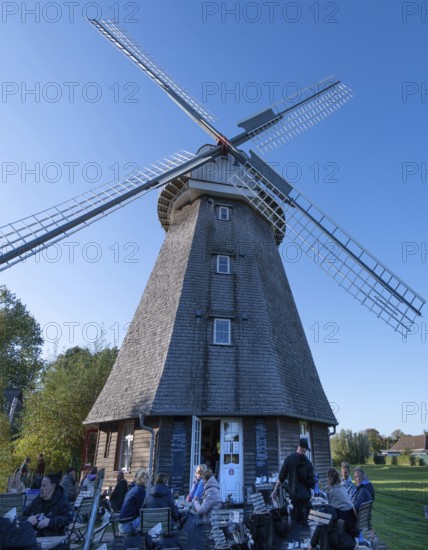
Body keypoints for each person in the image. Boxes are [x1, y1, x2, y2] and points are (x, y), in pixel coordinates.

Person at [271, 437, 315, 525]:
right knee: (306, 530)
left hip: (293, 504)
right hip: (305, 504)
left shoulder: (289, 460)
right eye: (306, 450)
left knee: (295, 530)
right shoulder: (308, 464)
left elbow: (281, 478)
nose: (306, 452)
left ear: (298, 446)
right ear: (303, 449)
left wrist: (274, 491)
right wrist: (314, 481)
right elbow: (311, 484)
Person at [118, 469, 149, 534]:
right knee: (149, 520)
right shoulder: (140, 491)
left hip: (122, 524)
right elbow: (141, 510)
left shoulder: (134, 489)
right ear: (145, 480)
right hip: (128, 525)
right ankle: (150, 542)